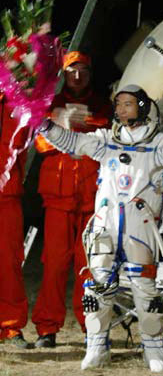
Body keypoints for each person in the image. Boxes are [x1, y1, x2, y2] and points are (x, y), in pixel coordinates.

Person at [37, 84, 163, 371]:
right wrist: (45, 126)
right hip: (107, 223)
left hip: (140, 226)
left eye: (128, 104)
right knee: (97, 287)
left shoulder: (158, 143)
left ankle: (154, 351)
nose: (121, 108)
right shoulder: (106, 140)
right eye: (119, 104)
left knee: (145, 290)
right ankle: (97, 348)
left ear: (143, 106)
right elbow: (73, 142)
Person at [32, 51, 112, 348]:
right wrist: (61, 122)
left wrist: (85, 123)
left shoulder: (103, 105)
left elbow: (108, 136)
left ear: (90, 74)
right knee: (53, 264)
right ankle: (47, 328)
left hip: (91, 198)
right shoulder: (50, 105)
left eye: (82, 71)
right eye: (71, 71)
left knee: (88, 265)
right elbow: (40, 143)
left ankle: (90, 326)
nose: (77, 76)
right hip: (58, 197)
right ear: (63, 74)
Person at [0, 93, 30, 348]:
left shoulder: (17, 104)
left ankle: (11, 327)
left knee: (9, 264)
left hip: (7, 195)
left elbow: (24, 147)